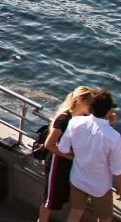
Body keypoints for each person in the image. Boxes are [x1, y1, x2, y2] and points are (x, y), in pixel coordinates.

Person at [59, 88, 121, 222]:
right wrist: (120, 188)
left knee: (75, 213)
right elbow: (116, 169)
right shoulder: (113, 136)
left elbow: (63, 148)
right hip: (100, 186)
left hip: (77, 179)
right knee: (105, 218)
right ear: (109, 111)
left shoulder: (75, 122)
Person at [39, 87, 95, 222]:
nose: (92, 107)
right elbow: (49, 145)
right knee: (49, 200)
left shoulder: (84, 119)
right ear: (80, 100)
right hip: (56, 164)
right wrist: (68, 156)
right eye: (90, 103)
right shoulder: (64, 119)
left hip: (70, 164)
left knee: (65, 197)